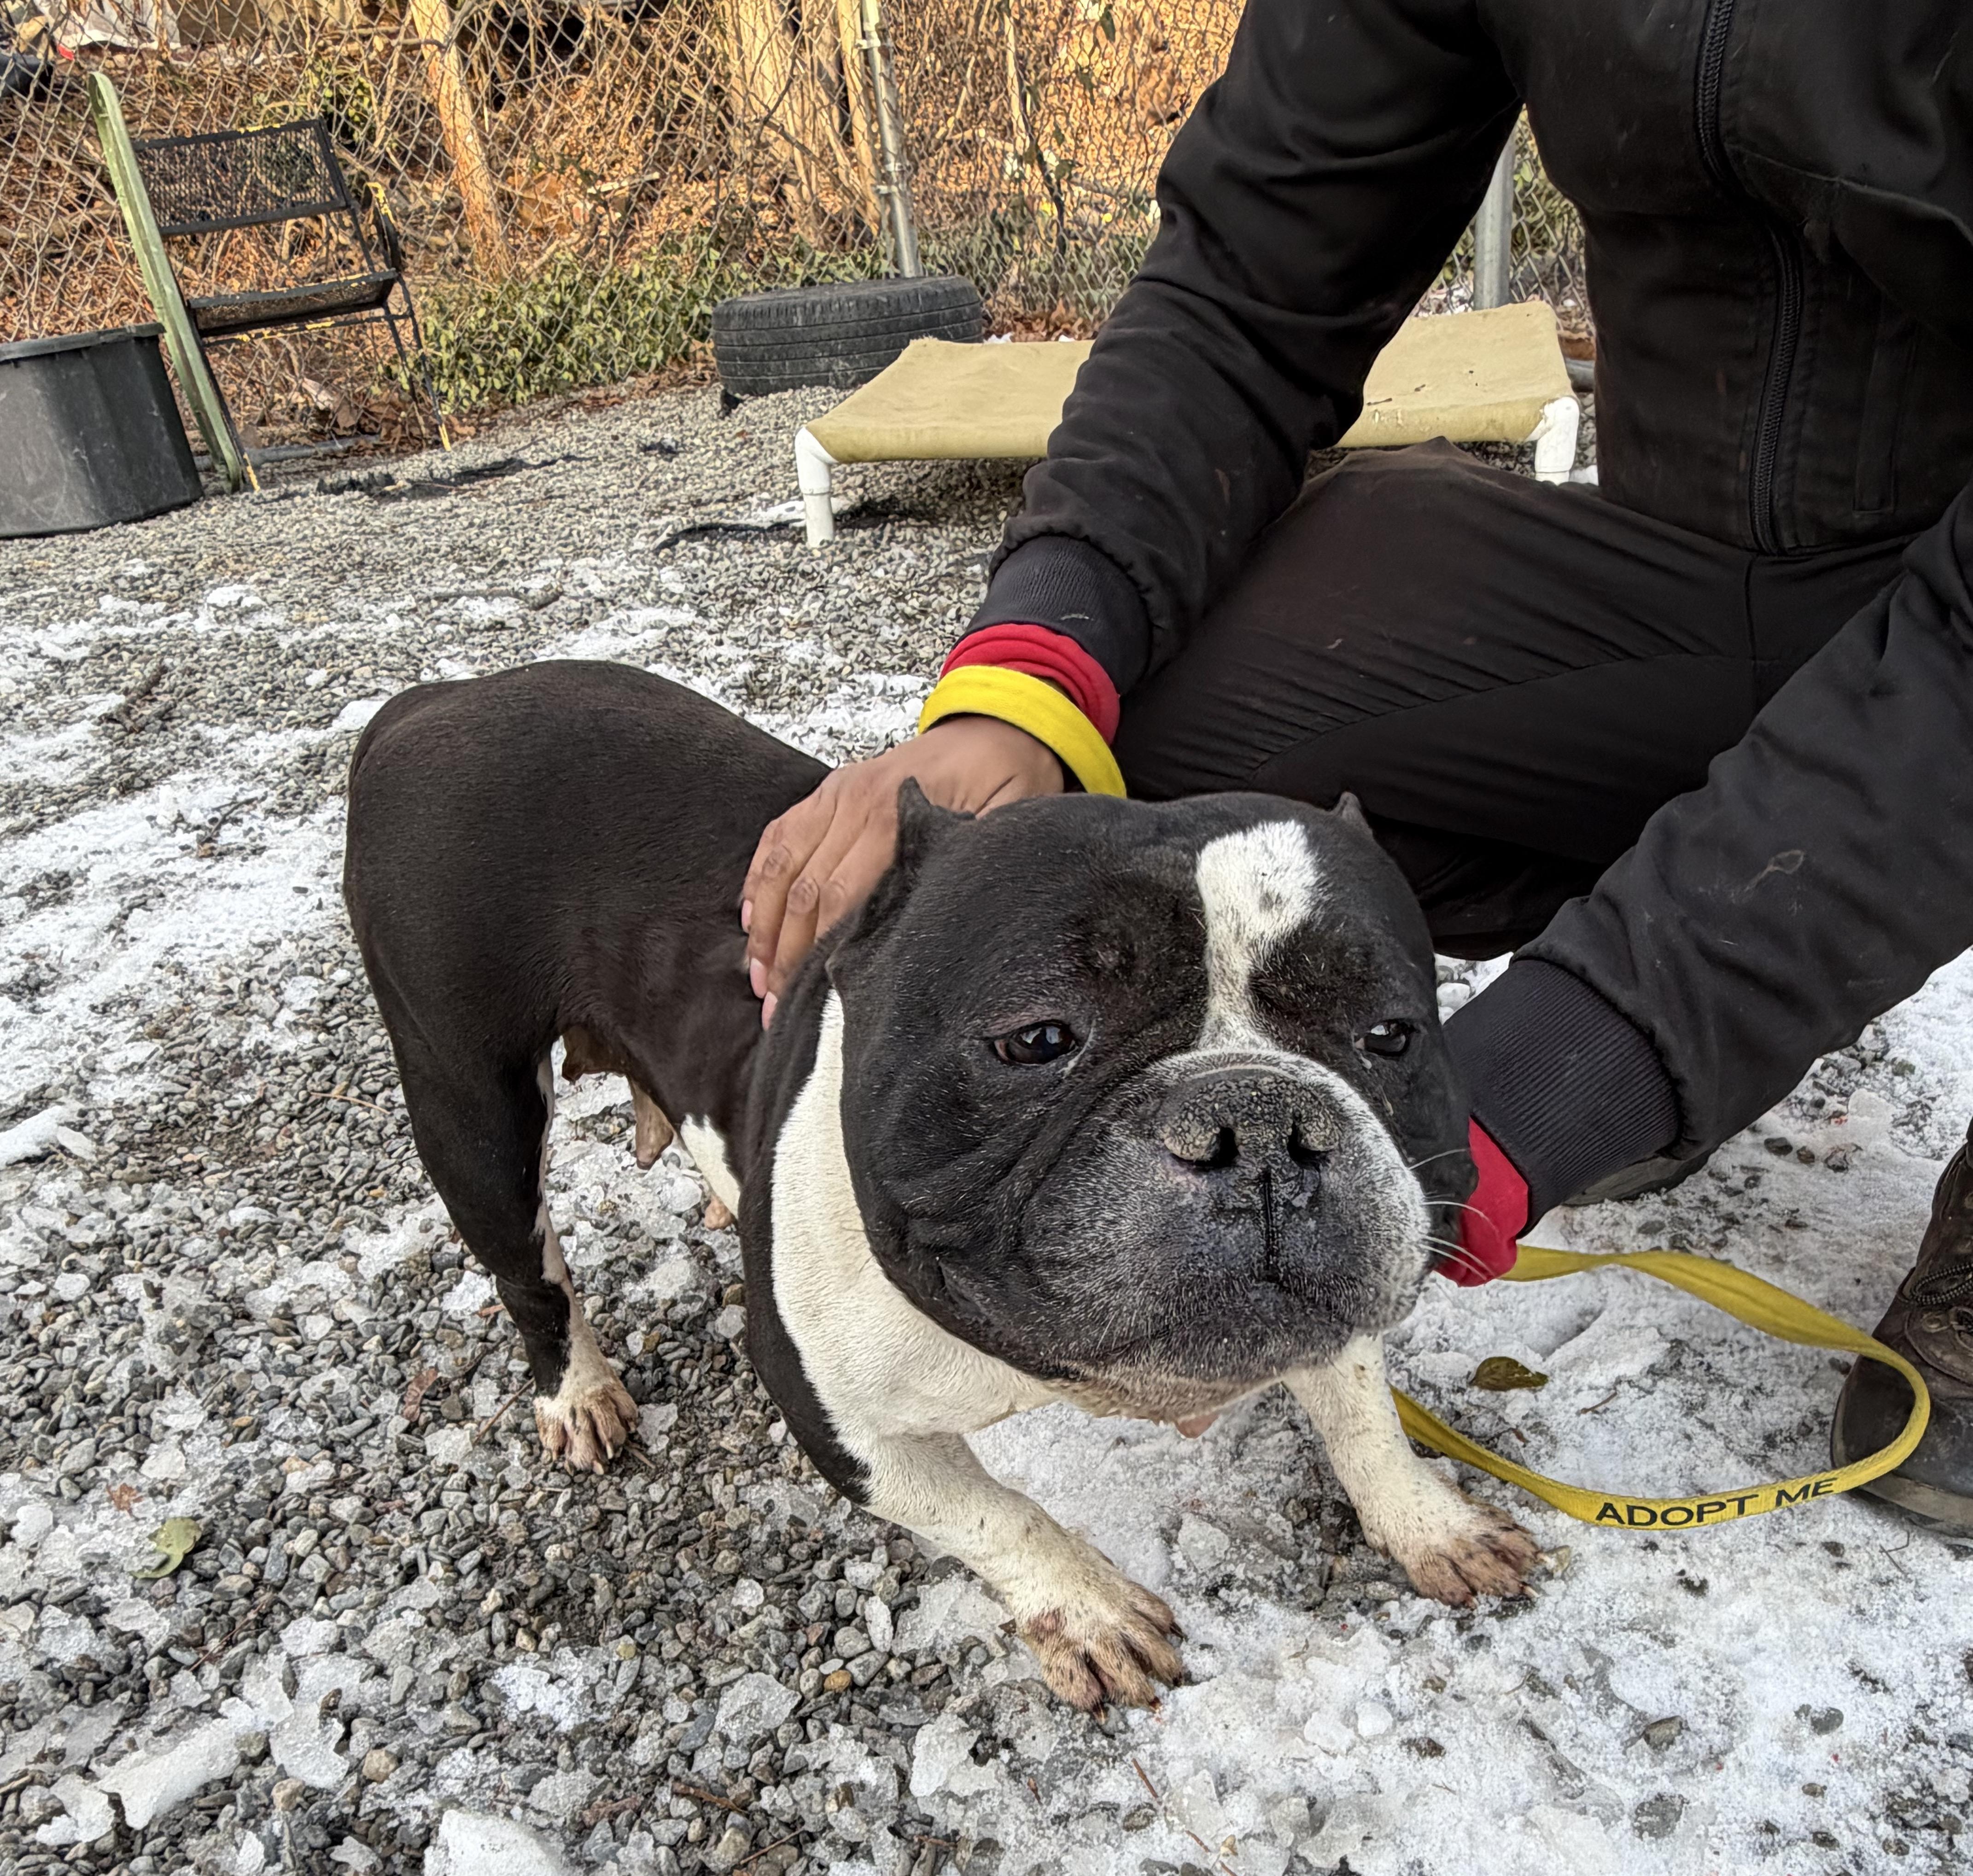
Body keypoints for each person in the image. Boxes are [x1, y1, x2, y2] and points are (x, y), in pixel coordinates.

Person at [741, 1, 1973, 1526]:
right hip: (1701, 544)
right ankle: (1671, 965)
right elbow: (1250, 287)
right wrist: (1024, 686)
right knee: (1156, 761)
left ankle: (1704, 1052)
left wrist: (1541, 1080)